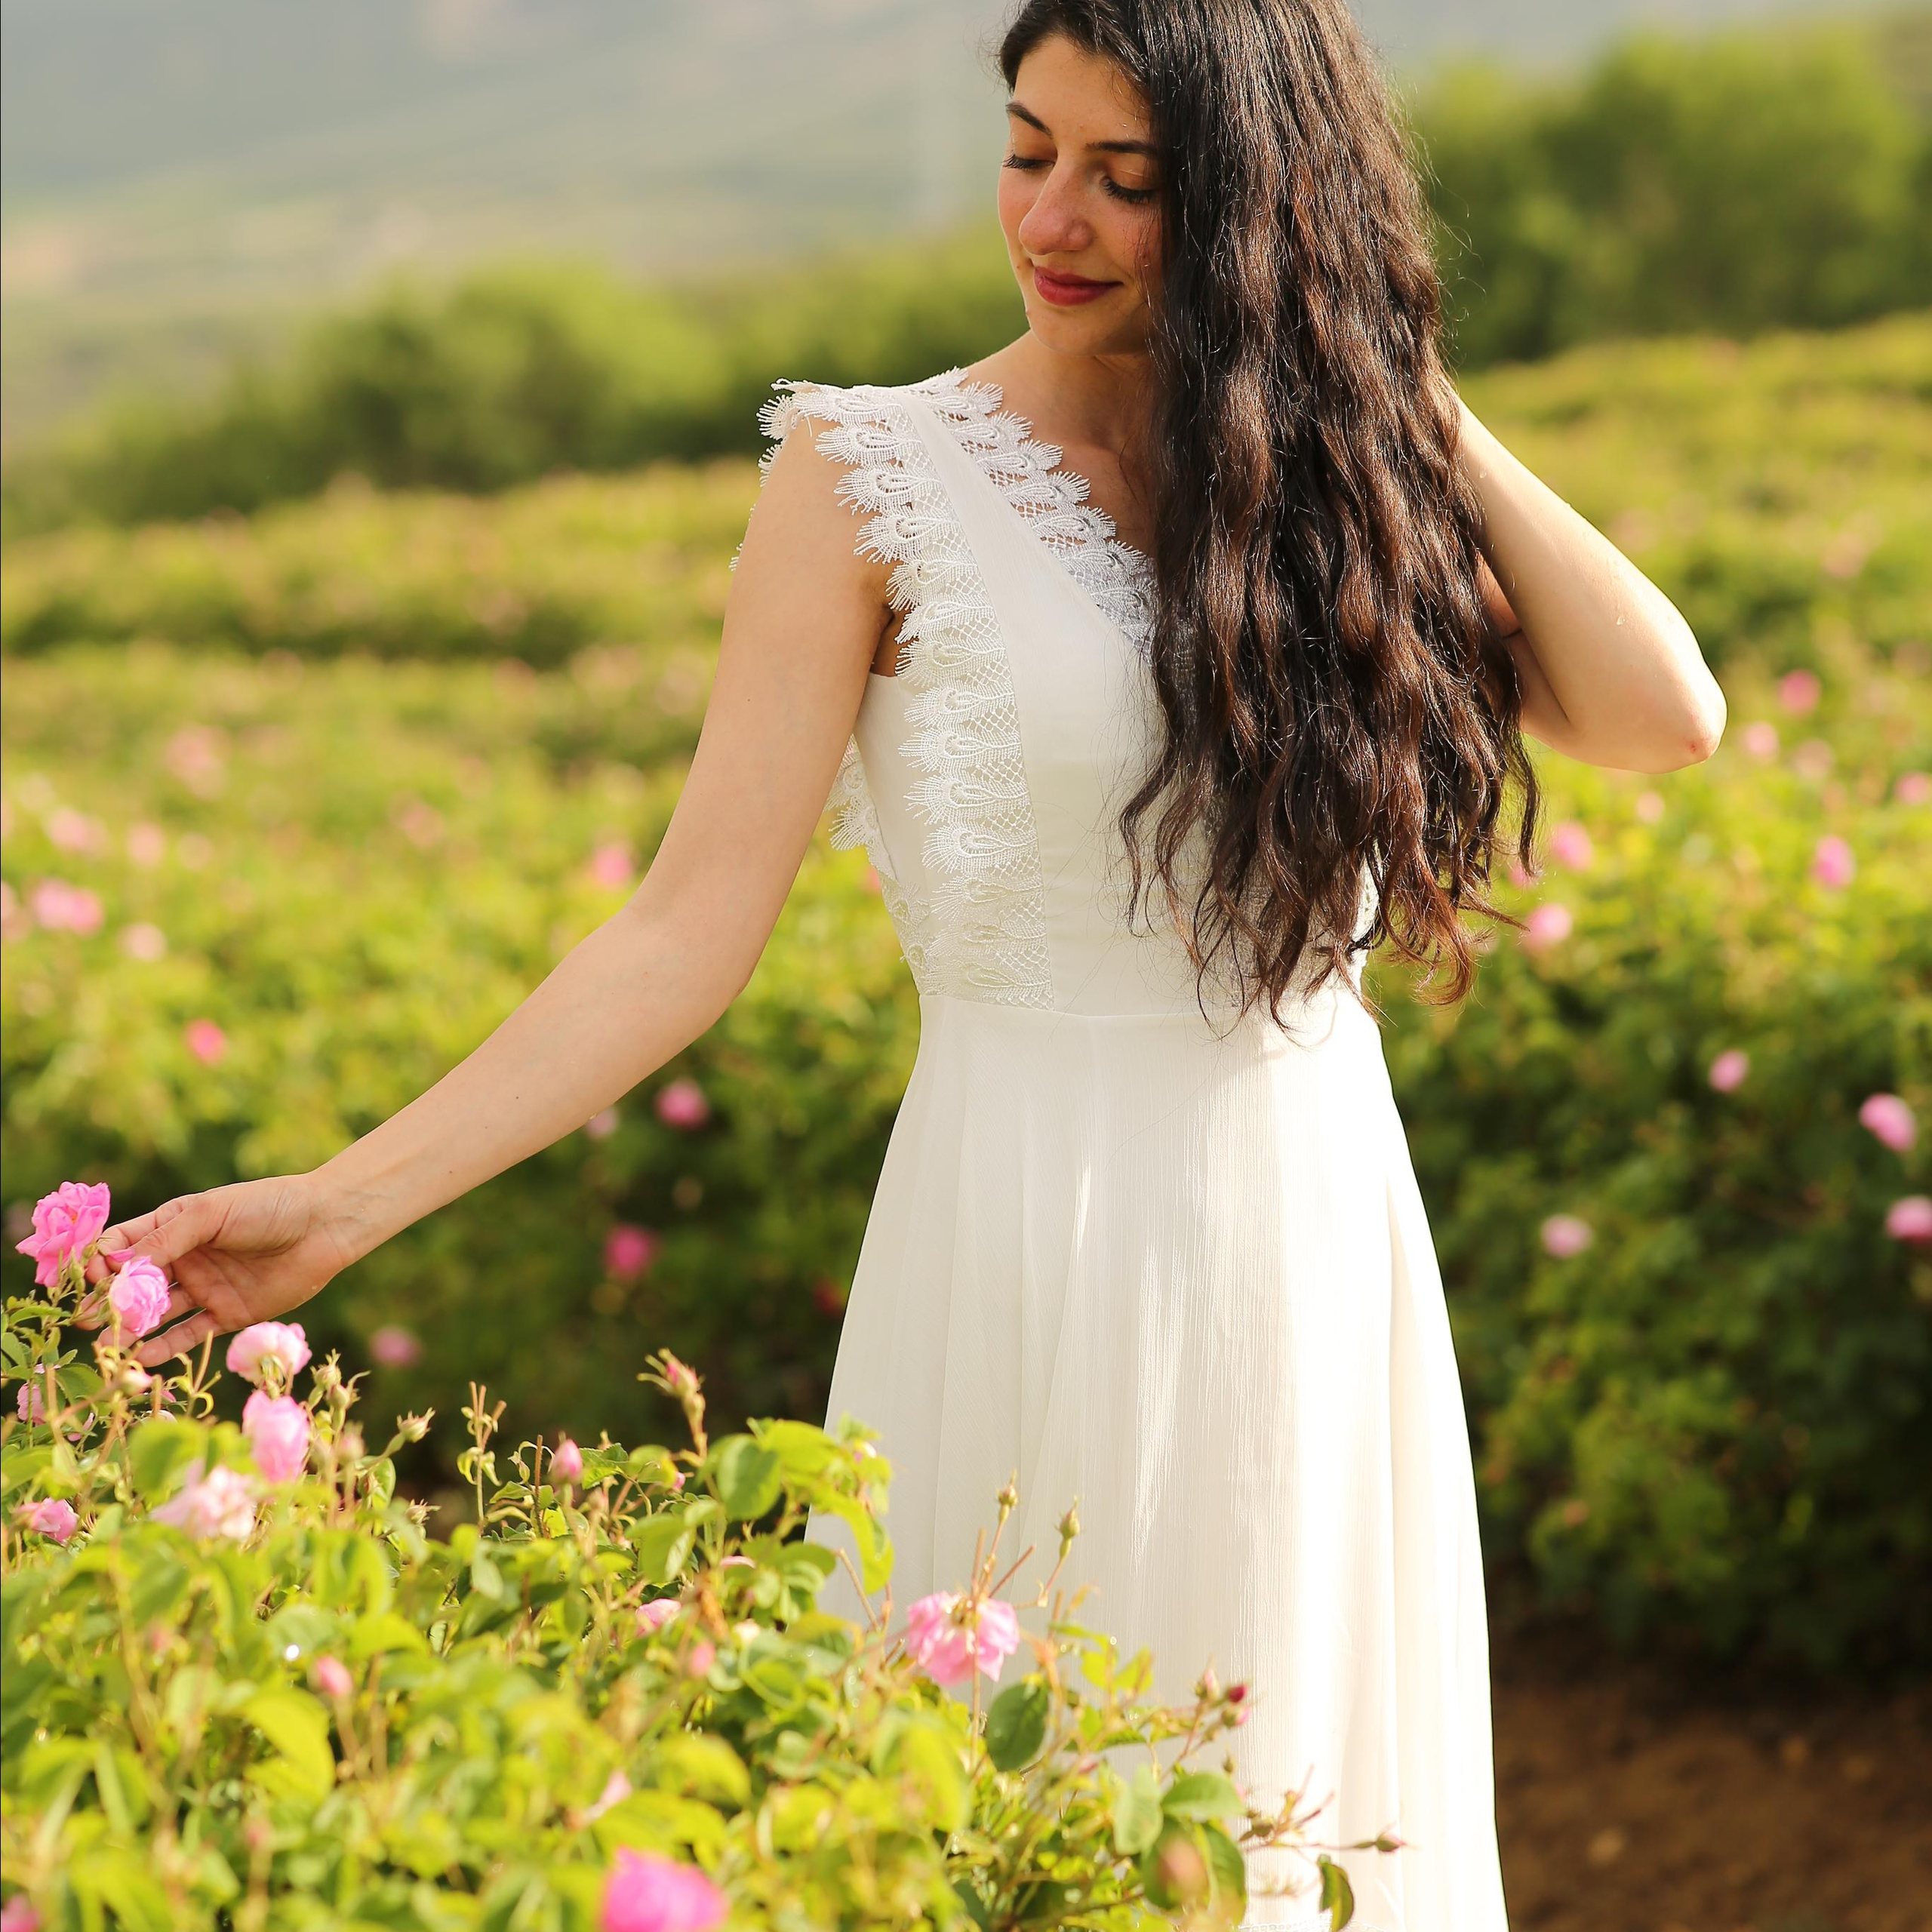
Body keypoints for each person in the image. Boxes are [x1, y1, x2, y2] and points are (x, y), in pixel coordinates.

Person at [84, 2, 1724, 1924]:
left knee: (1290, 1829)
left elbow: (1661, 710)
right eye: (1028, 149)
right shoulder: (867, 478)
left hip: (1303, 1236)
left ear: (1266, 202)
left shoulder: (1325, 479)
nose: (1054, 215)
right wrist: (341, 1205)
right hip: (1021, 1227)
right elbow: (685, 927)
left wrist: (1383, 374)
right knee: (1014, 1823)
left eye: (1131, 178)